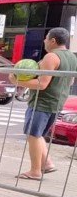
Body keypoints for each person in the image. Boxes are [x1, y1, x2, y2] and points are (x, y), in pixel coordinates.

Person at [11, 27, 77, 180]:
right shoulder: (72, 57)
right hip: (56, 101)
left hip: (42, 102)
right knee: (37, 134)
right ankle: (47, 163)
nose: (44, 40)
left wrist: (17, 80)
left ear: (53, 40)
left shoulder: (51, 57)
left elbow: (42, 83)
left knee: (33, 135)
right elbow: (71, 81)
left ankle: (35, 171)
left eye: (46, 38)